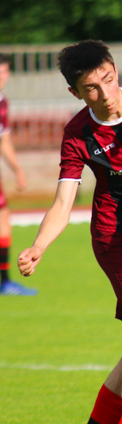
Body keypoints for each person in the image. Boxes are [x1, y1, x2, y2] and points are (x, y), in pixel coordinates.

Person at [17, 40, 122, 424]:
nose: (105, 94)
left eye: (108, 80)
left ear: (115, 70)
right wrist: (39, 245)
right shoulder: (78, 133)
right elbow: (64, 202)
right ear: (74, 93)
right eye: (91, 89)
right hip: (118, 240)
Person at [0, 54, 33, 295]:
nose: (1, 77)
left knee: (3, 224)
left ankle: (5, 281)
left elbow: (4, 140)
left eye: (4, 72)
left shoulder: (3, 102)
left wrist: (17, 169)